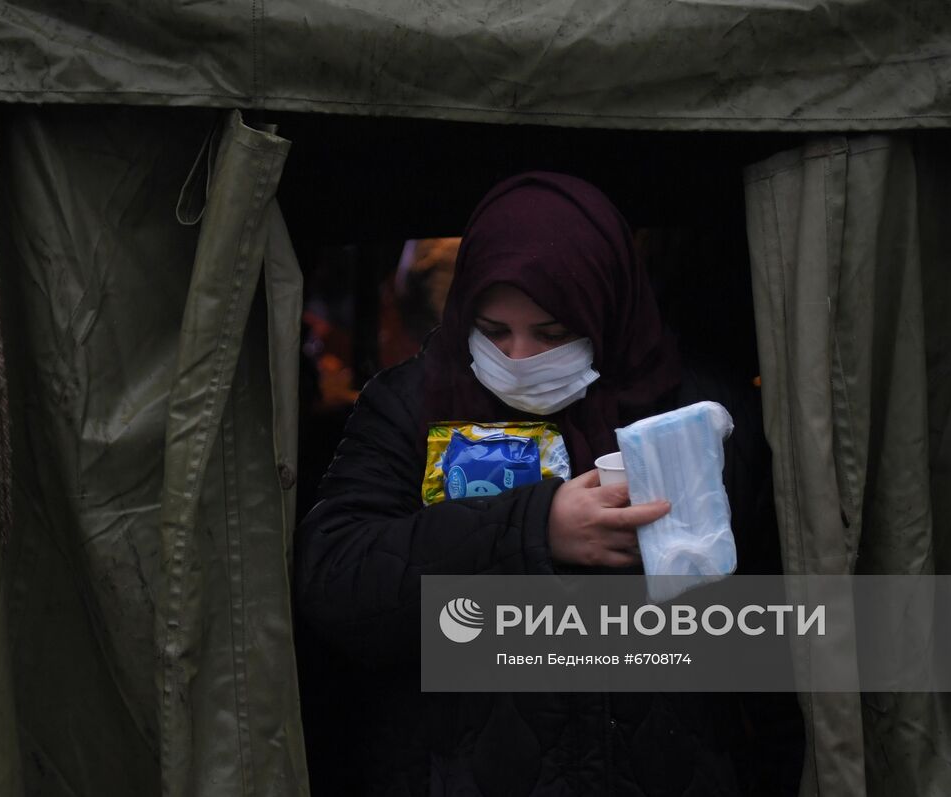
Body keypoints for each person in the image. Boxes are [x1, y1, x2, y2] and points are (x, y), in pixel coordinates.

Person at [294, 172, 778, 795]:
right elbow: (335, 581)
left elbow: (776, 628)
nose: (518, 359)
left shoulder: (698, 415)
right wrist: (532, 529)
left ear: (607, 308)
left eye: (551, 333)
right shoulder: (412, 406)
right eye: (493, 331)